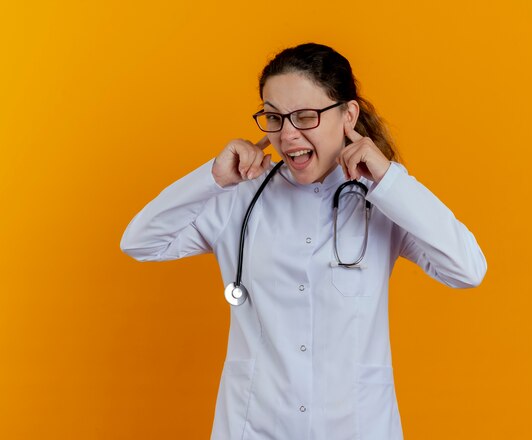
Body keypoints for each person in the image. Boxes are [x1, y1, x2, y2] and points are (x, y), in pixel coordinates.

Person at [120, 42, 487, 440]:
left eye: (305, 116)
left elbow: (467, 269)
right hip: (255, 426)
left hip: (356, 428)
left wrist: (389, 179)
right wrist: (213, 178)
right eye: (274, 118)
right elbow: (141, 242)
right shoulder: (240, 196)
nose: (288, 135)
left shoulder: (381, 200)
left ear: (348, 115)